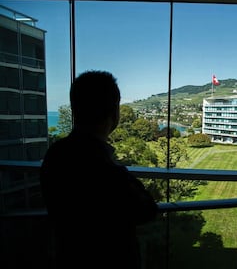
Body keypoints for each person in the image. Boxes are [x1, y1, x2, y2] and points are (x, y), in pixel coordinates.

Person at [40, 70, 158, 269]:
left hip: (67, 257)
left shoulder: (55, 154)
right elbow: (147, 210)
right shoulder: (107, 171)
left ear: (75, 109)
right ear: (114, 113)